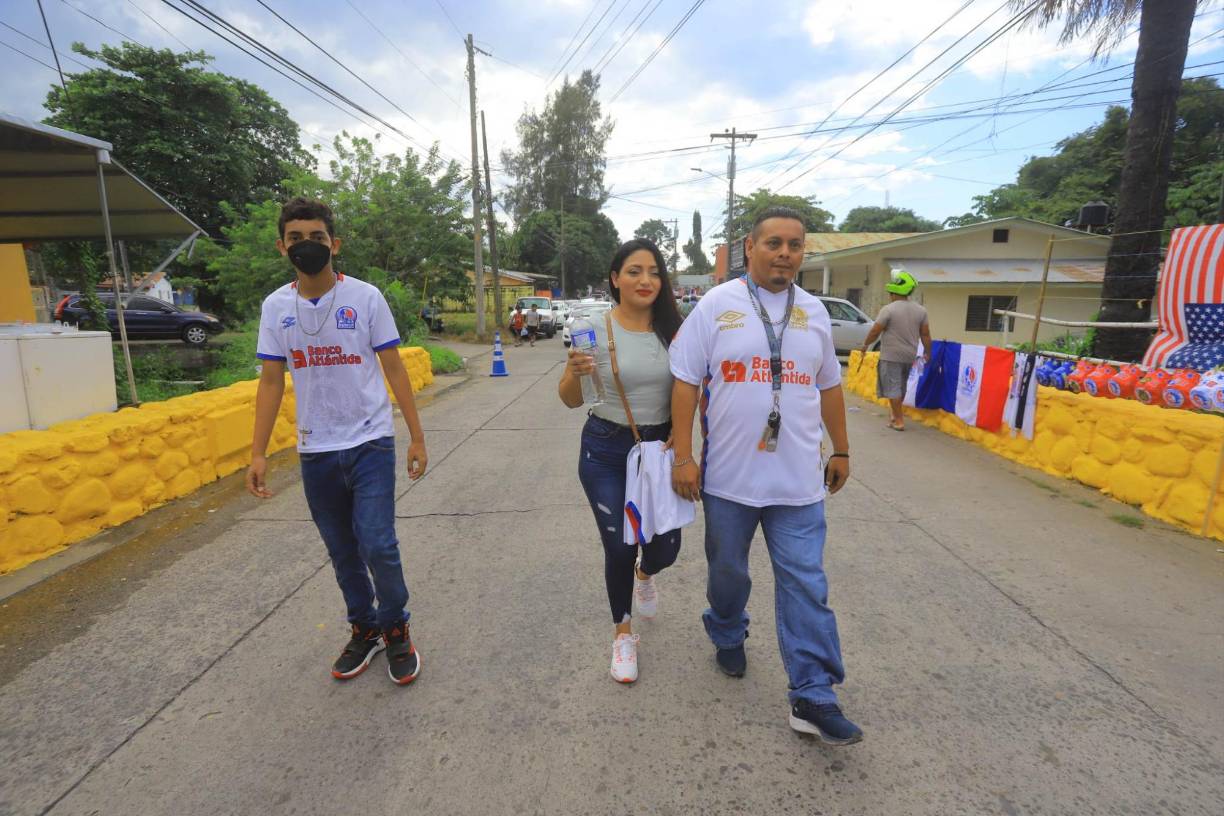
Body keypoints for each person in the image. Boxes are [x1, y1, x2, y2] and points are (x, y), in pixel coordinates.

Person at [669, 206, 863, 745]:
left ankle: (814, 693)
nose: (784, 253)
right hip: (729, 480)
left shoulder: (816, 312)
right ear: (749, 249)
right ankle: (727, 629)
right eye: (773, 243)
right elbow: (685, 381)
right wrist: (683, 457)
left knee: (806, 582)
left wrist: (842, 449)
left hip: (798, 482)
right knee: (728, 574)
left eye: (795, 245)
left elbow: (828, 386)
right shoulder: (716, 305)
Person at [246, 197, 427, 686]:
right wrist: (258, 451)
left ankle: (395, 627)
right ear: (283, 245)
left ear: (335, 244)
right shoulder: (275, 307)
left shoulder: (365, 298)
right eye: (297, 239)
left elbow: (394, 368)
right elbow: (269, 382)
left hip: (370, 441)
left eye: (318, 238)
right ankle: (364, 628)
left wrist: (416, 436)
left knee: (377, 543)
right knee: (342, 549)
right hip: (315, 449)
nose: (308, 247)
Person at [559, 238, 685, 684]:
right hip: (605, 449)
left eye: (653, 271)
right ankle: (623, 633)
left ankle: (646, 573)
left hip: (661, 451)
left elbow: (693, 393)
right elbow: (572, 400)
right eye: (634, 271)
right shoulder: (594, 328)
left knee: (666, 548)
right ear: (615, 279)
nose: (645, 280)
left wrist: (686, 445)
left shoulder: (676, 330)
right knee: (618, 543)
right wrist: (573, 374)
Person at [859, 271, 931, 431]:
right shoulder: (921, 311)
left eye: (890, 293)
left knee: (893, 388)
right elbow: (925, 334)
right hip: (909, 356)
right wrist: (928, 352)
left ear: (894, 292)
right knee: (900, 387)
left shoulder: (888, 310)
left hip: (891, 355)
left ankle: (899, 421)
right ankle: (893, 416)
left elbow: (875, 331)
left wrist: (865, 344)